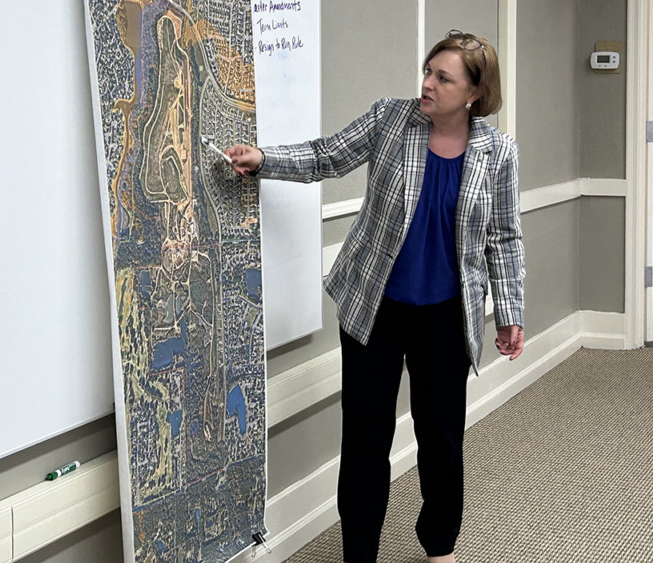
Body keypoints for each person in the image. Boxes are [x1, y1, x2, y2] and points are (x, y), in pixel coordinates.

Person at [225, 30, 525, 563]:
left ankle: (439, 547)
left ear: (475, 92)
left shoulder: (497, 152)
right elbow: (327, 157)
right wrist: (264, 158)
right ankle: (358, 554)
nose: (427, 84)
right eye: (428, 71)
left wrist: (509, 312)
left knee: (441, 441)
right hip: (375, 308)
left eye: (443, 78)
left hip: (446, 317)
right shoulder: (391, 118)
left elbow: (503, 235)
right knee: (365, 441)